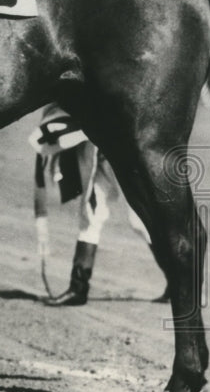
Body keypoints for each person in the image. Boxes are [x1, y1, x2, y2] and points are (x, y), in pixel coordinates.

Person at [32, 104, 168, 306]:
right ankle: (78, 288)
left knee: (139, 220)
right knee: (90, 216)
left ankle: (179, 281)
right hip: (98, 152)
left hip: (125, 150)